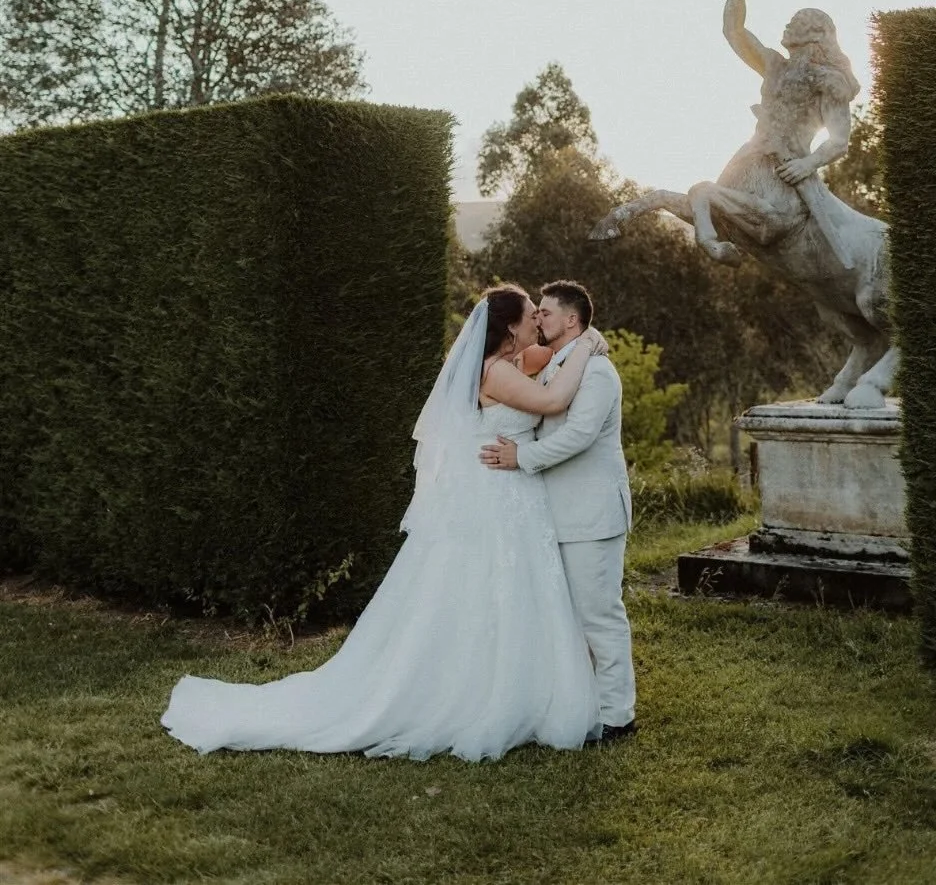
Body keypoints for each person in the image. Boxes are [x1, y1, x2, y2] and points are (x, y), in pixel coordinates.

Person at [161, 284, 609, 761]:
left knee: (518, 593)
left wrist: (583, 338)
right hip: (495, 497)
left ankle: (525, 685)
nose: (537, 323)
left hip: (516, 496)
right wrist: (586, 344)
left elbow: (550, 354)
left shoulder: (520, 360)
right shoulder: (493, 372)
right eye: (529, 316)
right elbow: (555, 401)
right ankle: (475, 692)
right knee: (484, 593)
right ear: (509, 329)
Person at [480, 280, 636, 742]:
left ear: (572, 320)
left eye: (545, 312)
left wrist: (520, 458)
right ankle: (584, 702)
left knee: (599, 614)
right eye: (535, 312)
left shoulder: (599, 372)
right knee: (568, 618)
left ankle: (618, 715)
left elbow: (580, 434)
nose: (538, 318)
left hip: (590, 514)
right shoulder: (553, 365)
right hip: (553, 515)